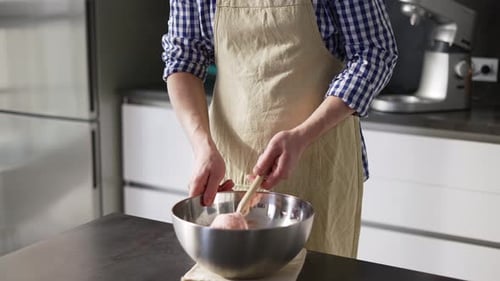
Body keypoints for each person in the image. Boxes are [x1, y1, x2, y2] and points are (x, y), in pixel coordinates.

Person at [162, 0, 398, 257]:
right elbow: (183, 60)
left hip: (322, 157)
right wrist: (202, 146)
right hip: (229, 159)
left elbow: (374, 51)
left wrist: (304, 134)